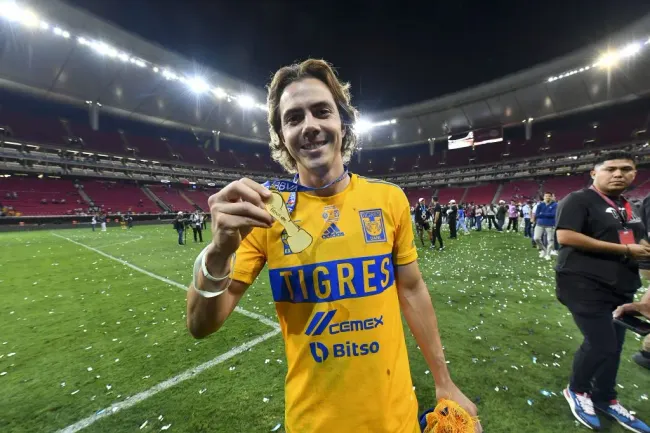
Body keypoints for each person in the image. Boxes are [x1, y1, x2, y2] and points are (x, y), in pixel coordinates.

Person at [186, 59, 481, 433]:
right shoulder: (266, 211)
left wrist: (444, 380)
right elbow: (200, 325)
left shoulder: (388, 199)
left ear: (343, 122)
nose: (309, 125)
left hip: (397, 422)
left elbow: (411, 289)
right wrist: (218, 252)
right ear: (281, 136)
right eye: (293, 118)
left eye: (321, 111)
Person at [555, 151, 650, 432]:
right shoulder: (579, 200)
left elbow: (638, 241)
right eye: (610, 169)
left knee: (615, 346)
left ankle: (604, 396)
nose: (618, 174)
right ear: (594, 173)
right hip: (582, 283)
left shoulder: (629, 206)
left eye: (626, 169)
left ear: (635, 174)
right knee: (602, 343)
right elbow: (565, 236)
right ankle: (577, 389)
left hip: (621, 285)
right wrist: (625, 249)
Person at [534, 192, 557, 261]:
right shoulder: (540, 205)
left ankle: (548, 254)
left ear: (551, 197)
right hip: (539, 224)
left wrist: (542, 214)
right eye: (546, 196)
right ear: (544, 197)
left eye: (549, 196)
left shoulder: (555, 205)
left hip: (550, 225)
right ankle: (544, 250)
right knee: (536, 238)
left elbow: (553, 214)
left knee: (550, 240)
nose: (547, 197)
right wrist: (546, 214)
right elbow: (537, 214)